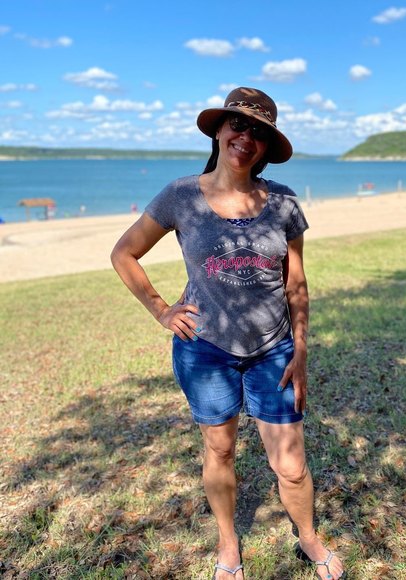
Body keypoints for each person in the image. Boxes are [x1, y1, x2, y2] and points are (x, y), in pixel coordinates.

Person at [110, 87, 344, 580]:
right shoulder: (180, 196)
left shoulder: (284, 202)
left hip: (274, 349)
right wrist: (161, 310)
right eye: (238, 124)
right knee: (219, 450)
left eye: (259, 132)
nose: (246, 137)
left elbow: (296, 283)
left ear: (267, 147)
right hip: (205, 350)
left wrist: (301, 349)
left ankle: (308, 537)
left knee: (291, 465)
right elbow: (124, 253)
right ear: (219, 129)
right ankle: (228, 541)